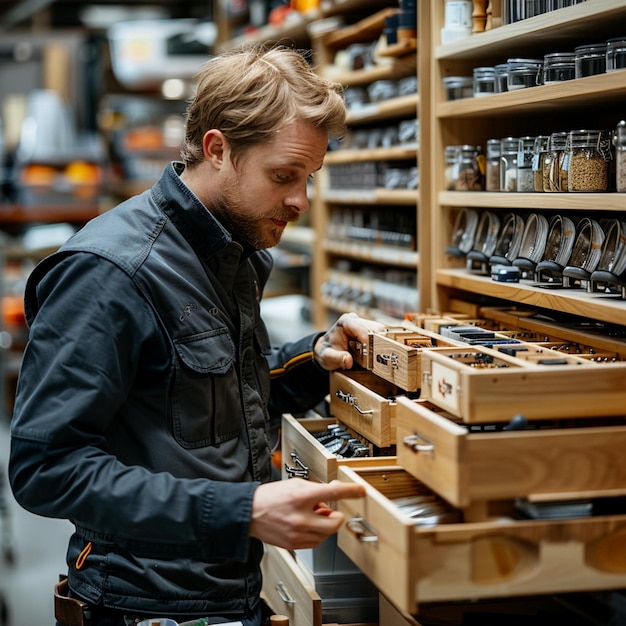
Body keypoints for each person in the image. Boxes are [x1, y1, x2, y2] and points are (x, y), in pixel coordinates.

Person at [8, 45, 384, 626]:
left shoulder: (233, 250)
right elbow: (46, 468)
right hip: (143, 605)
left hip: (227, 594)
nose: (300, 201)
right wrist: (241, 511)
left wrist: (315, 358)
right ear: (217, 149)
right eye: (284, 176)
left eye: (309, 178)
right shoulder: (111, 272)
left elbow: (214, 399)